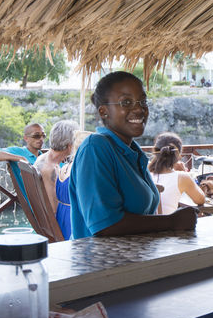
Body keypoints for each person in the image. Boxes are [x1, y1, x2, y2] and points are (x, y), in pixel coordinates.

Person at [69, 71, 198, 237]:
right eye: (126, 102)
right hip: (100, 254)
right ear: (104, 111)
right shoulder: (95, 148)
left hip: (134, 252)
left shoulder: (132, 151)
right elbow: (105, 226)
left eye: (142, 101)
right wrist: (171, 222)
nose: (139, 109)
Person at [32, 119, 79, 238]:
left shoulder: (43, 158)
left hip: (45, 225)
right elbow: (53, 210)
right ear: (70, 145)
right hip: (60, 229)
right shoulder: (50, 169)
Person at [148, 132, 206, 214]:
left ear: (155, 151)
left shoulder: (143, 173)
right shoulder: (182, 177)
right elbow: (200, 200)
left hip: (143, 221)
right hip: (168, 222)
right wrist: (185, 174)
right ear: (178, 155)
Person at [0, 122, 46, 199]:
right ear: (26, 138)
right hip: (39, 201)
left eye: (43, 136)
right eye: (36, 136)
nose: (41, 139)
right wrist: (20, 158)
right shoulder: (18, 151)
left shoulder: (44, 157)